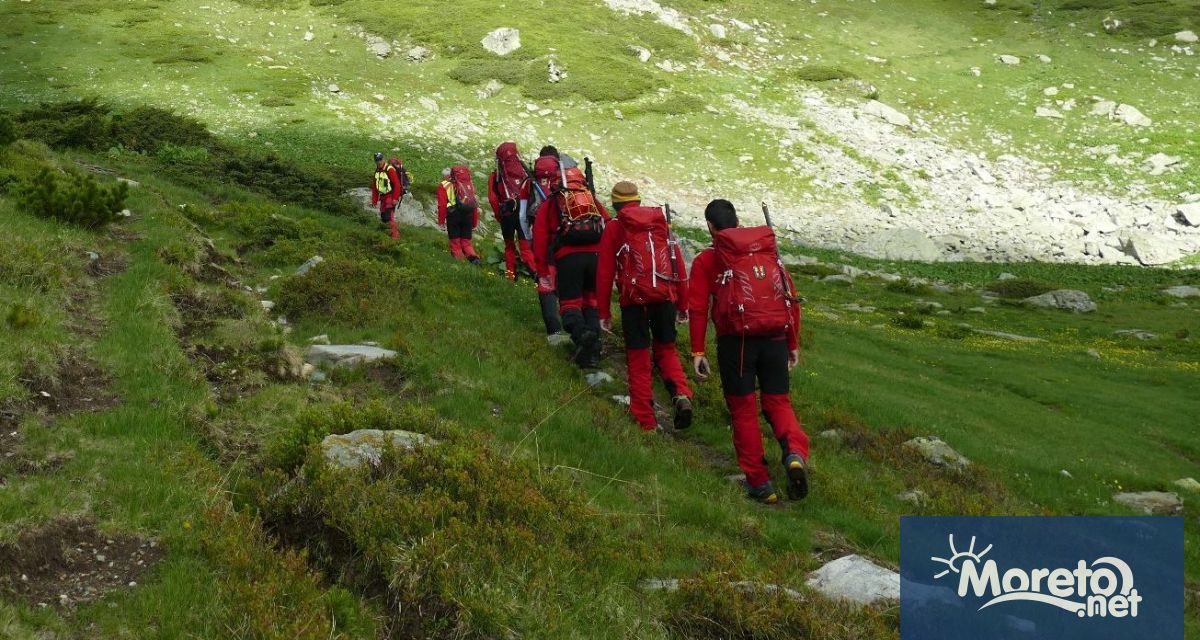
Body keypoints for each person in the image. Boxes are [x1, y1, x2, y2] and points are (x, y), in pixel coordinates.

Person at [688, 199, 809, 504]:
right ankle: (794, 452)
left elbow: (698, 308)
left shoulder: (706, 261)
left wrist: (698, 351)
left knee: (743, 411)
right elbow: (789, 298)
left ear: (710, 227)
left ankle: (760, 484)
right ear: (738, 221)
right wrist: (792, 343)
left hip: (736, 344)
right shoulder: (768, 254)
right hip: (775, 338)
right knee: (778, 402)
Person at [595, 181, 693, 431]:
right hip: (664, 297)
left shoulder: (615, 227)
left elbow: (605, 273)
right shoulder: (658, 224)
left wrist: (604, 312)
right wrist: (683, 303)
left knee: (638, 358)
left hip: (633, 301)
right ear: (638, 201)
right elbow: (677, 263)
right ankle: (681, 394)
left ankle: (645, 420)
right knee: (667, 350)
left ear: (616, 205)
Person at [533, 162, 609, 368]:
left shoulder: (552, 203)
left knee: (570, 304)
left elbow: (540, 239)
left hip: (568, 258)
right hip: (596, 257)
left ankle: (581, 334)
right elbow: (607, 224)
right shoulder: (591, 199)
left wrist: (542, 270)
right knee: (591, 303)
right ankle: (592, 353)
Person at [488, 142, 537, 281]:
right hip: (524, 215)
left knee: (509, 247)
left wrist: (499, 215)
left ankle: (511, 276)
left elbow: (492, 199)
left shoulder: (496, 176)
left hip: (507, 215)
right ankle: (536, 274)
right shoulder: (525, 172)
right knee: (526, 248)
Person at [437, 166, 482, 265]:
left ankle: (461, 264)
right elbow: (474, 204)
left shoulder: (443, 185)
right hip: (468, 216)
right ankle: (474, 259)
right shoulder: (468, 185)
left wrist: (441, 221)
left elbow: (442, 205)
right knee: (466, 242)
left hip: (453, 217)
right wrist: (474, 222)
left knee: (455, 242)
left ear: (445, 177)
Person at [369, 152, 402, 239]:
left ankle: (395, 236)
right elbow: (375, 187)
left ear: (383, 159)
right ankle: (387, 234)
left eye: (380, 160)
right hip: (383, 197)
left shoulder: (389, 169)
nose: (379, 162)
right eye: (377, 160)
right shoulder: (377, 171)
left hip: (390, 196)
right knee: (383, 217)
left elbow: (397, 185)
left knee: (389, 216)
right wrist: (374, 201)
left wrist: (395, 198)